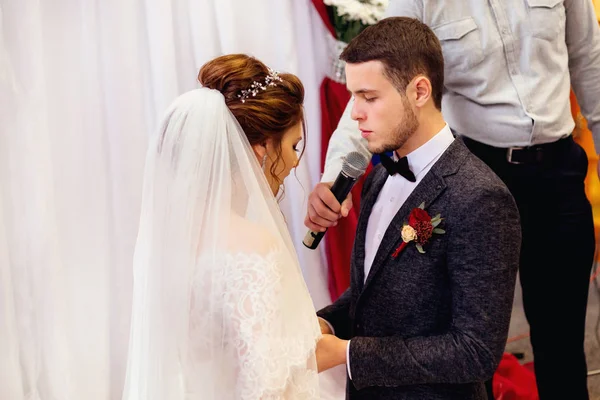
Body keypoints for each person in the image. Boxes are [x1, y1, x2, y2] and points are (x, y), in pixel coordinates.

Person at [308, 2, 600, 398]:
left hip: (557, 171)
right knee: (465, 347)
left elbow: (588, 56)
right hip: (476, 169)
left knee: (562, 340)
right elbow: (382, 73)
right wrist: (335, 179)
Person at [312, 17, 521, 399]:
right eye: (354, 95)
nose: (355, 112)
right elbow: (372, 293)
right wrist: (325, 324)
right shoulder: (376, 178)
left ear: (420, 91)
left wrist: (348, 352)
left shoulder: (481, 198)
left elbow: (475, 351)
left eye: (369, 97)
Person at [122, 54, 322, 400]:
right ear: (260, 149)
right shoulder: (254, 247)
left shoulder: (166, 241)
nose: (293, 162)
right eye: (293, 146)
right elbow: (265, 387)